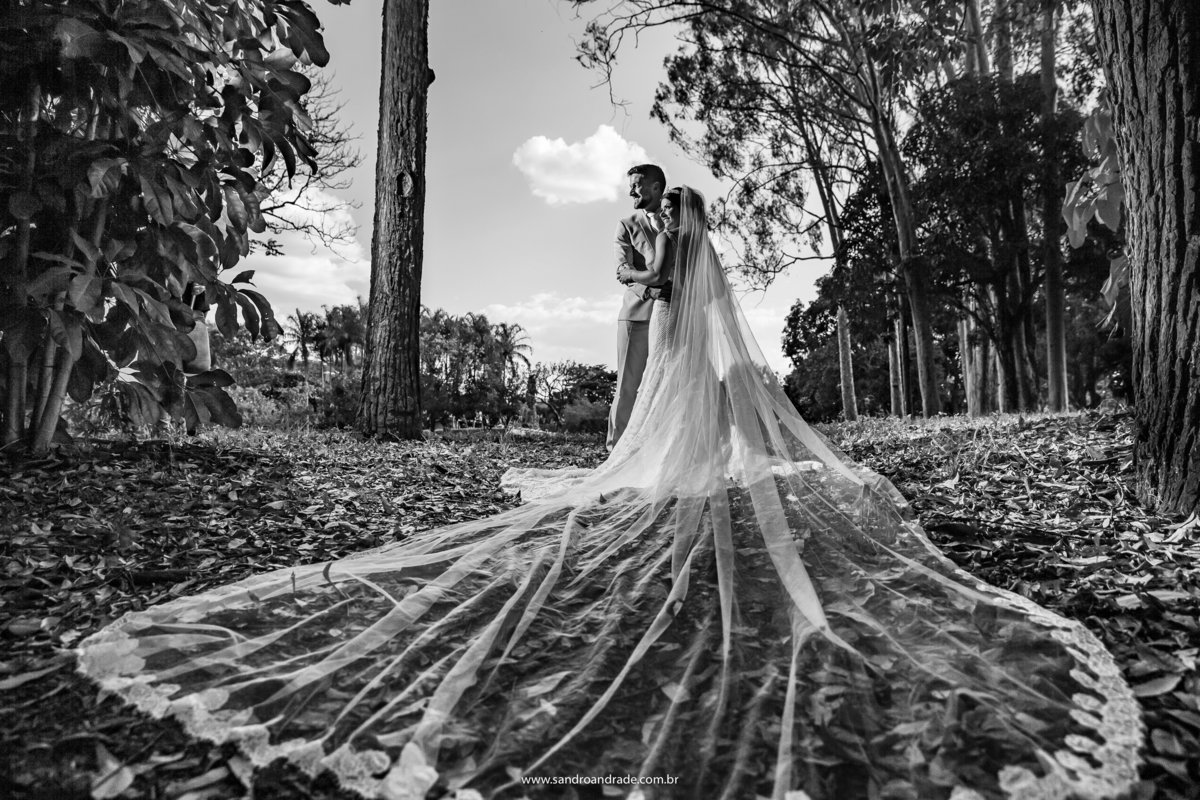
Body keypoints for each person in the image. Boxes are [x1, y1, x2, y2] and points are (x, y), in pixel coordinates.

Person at [78, 187, 1141, 800]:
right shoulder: (691, 281)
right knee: (693, 462)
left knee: (653, 463)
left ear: (668, 232)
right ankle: (689, 474)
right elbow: (714, 364)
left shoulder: (665, 281)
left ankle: (673, 475)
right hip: (693, 409)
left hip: (673, 406)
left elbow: (668, 333)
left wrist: (651, 308)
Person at [609, 164, 671, 450]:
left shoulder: (679, 219)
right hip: (637, 315)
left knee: (670, 386)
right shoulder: (627, 225)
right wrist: (652, 291)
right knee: (629, 387)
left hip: (674, 317)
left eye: (636, 184)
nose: (630, 191)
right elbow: (624, 271)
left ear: (656, 187)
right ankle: (616, 452)